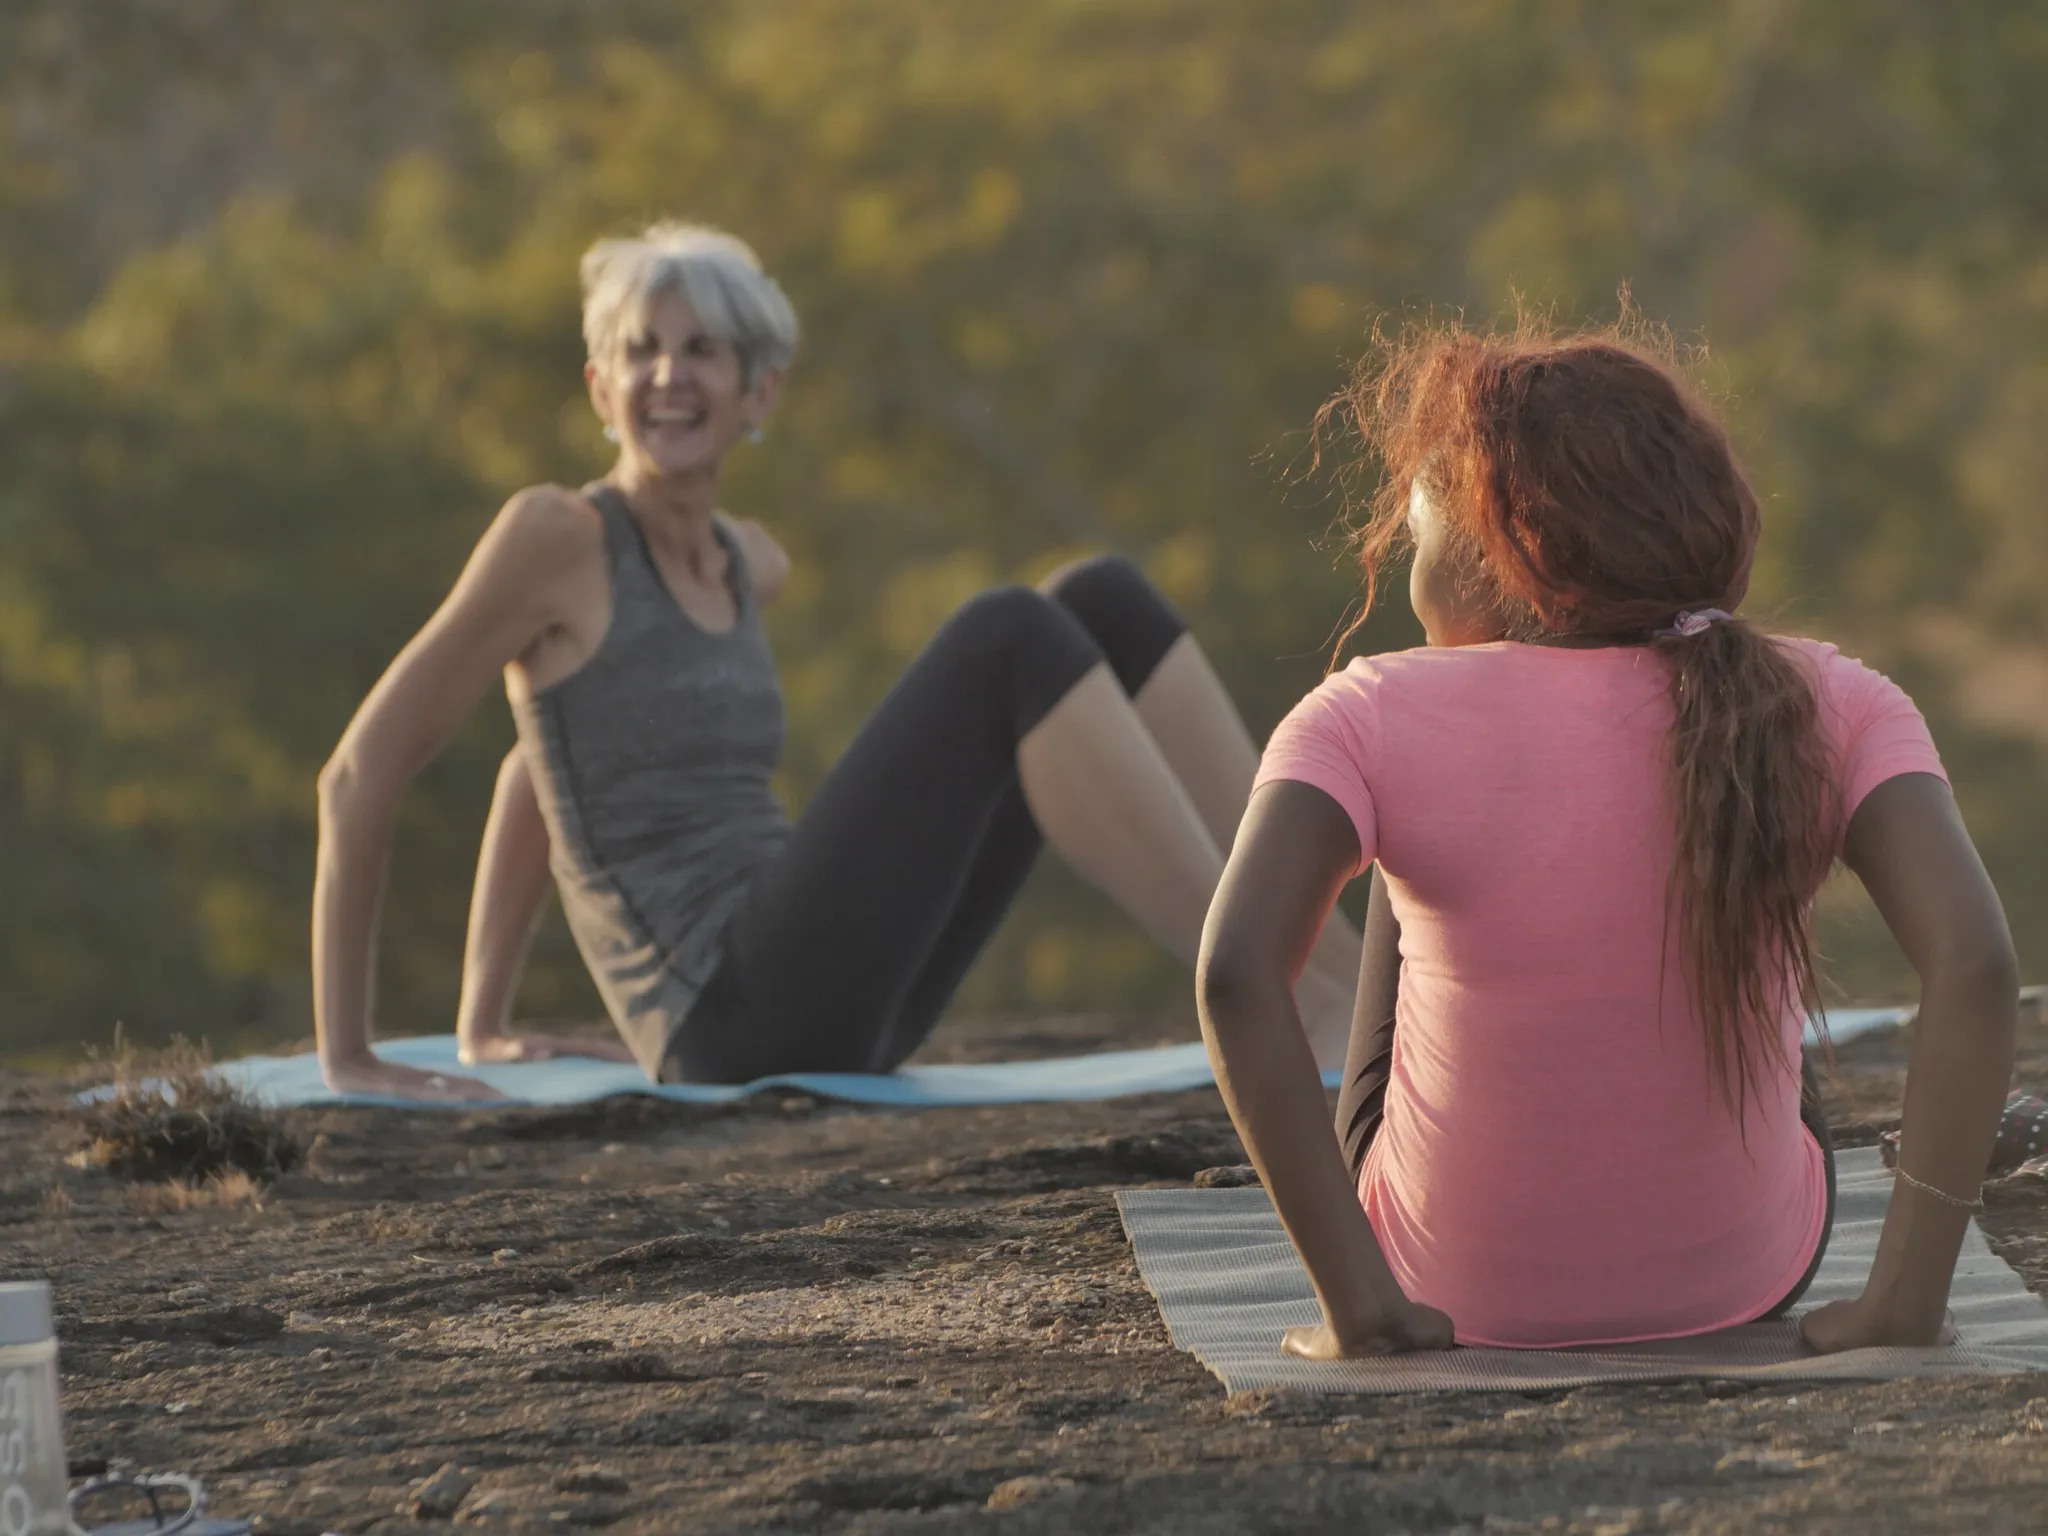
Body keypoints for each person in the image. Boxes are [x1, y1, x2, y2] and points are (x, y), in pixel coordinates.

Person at [312, 221, 1365, 1102]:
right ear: (599, 385)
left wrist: (483, 1021)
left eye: (700, 350)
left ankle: (1353, 983)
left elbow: (533, 773)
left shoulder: (745, 561)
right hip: (721, 1021)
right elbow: (359, 771)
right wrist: (352, 1057)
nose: (667, 375)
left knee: (1101, 599)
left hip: (846, 997)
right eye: (639, 350)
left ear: (757, 392)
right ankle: (1270, 1000)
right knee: (1009, 636)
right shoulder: (555, 541)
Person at [1197, 318, 2019, 1356]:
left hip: (1443, 1286)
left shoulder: (1371, 712)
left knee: (1402, 851)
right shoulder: (1829, 697)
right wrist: (1900, 1308)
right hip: (1748, 1274)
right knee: (1732, 892)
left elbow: (1235, 975)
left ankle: (1362, 1292)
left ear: (1492, 553)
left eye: (1415, 543)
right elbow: (1977, 965)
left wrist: (1359, 1313)